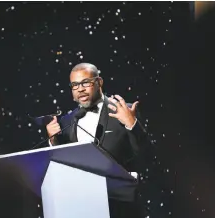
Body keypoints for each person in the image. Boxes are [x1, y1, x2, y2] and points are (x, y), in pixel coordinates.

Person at [46, 63, 149, 218]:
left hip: (122, 208)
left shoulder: (123, 111)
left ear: (99, 82)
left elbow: (148, 156)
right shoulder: (66, 121)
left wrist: (132, 125)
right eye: (74, 85)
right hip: (82, 207)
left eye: (85, 83)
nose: (80, 89)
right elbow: (64, 165)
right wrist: (53, 142)